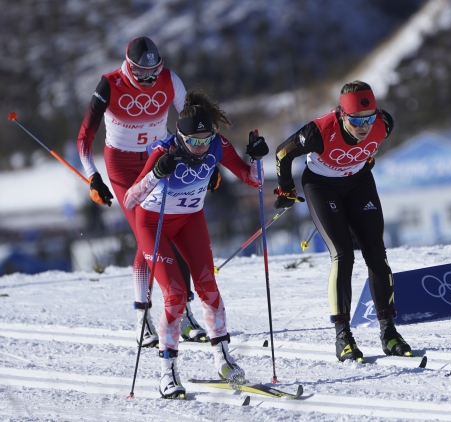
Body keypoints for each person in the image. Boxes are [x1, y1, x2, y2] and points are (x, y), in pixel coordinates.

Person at [124, 88, 269, 398]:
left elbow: (254, 180)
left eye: (205, 140)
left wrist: (256, 158)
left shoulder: (218, 145)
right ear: (180, 136)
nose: (202, 148)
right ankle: (167, 372)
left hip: (191, 220)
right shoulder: (163, 152)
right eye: (194, 142)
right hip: (154, 224)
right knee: (175, 296)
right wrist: (154, 175)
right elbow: (130, 198)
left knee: (209, 288)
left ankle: (224, 360)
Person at [76, 36, 213, 347]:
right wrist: (93, 178)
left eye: (154, 74)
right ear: (130, 68)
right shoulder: (109, 85)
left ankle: (184, 313)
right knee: (148, 233)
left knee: (172, 226)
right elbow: (85, 137)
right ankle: (143, 317)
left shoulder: (170, 80)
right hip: (123, 167)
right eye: (142, 75)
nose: (150, 81)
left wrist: (210, 160)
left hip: (161, 158)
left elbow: (193, 123)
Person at [273, 80, 412, 362]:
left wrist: (364, 159)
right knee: (343, 255)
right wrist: (286, 189)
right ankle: (343, 337)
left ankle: (389, 332)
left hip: (359, 183)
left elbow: (371, 145)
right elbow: (282, 153)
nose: (364, 126)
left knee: (376, 251)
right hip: (322, 187)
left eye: (369, 118)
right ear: (341, 114)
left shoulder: (383, 123)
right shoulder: (319, 131)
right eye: (356, 120)